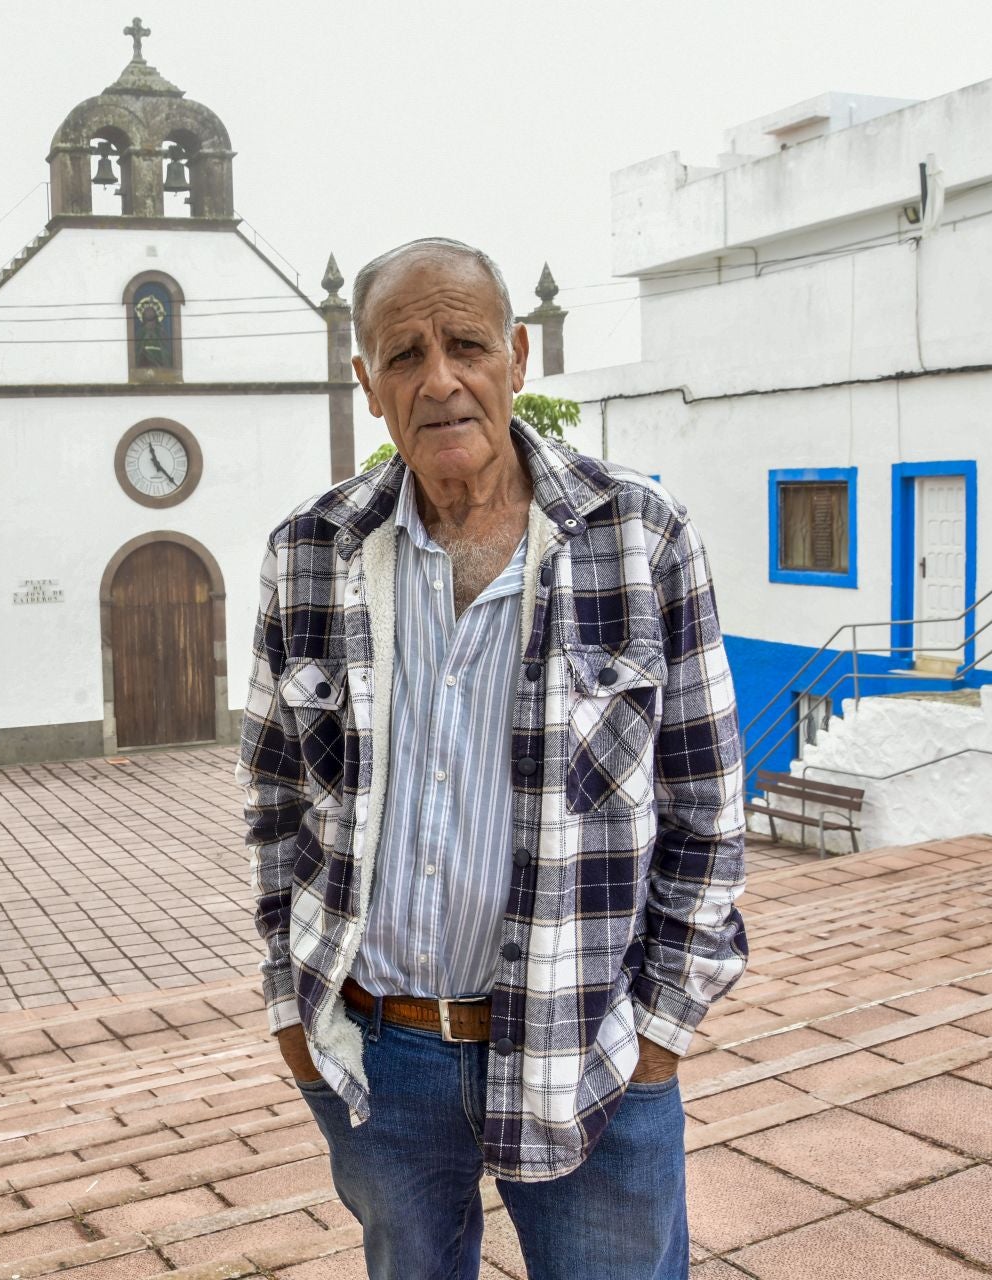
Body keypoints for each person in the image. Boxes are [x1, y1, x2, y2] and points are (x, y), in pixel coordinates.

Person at [234, 237, 747, 1279]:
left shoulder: (637, 538)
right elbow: (276, 799)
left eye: (465, 343)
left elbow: (707, 802)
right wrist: (293, 1007)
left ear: (516, 354)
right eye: (404, 354)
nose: (440, 378)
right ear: (368, 383)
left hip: (590, 1044)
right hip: (381, 1054)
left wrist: (661, 1028)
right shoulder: (310, 551)